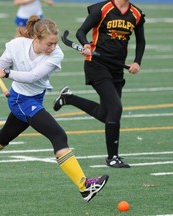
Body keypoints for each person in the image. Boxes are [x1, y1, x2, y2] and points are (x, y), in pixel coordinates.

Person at [0, 15, 109, 202]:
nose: (53, 47)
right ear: (36, 38)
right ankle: (85, 186)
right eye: (49, 43)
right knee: (58, 136)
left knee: (6, 134)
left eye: (55, 43)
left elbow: (32, 76)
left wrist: (4, 72)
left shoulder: (56, 55)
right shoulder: (16, 46)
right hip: (20, 100)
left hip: (35, 98)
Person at [53, 0, 146, 168]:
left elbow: (141, 41)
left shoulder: (137, 14)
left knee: (106, 115)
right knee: (116, 108)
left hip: (116, 68)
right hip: (96, 65)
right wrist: (86, 45)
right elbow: (81, 31)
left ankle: (68, 98)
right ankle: (112, 157)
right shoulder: (103, 9)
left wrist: (137, 62)